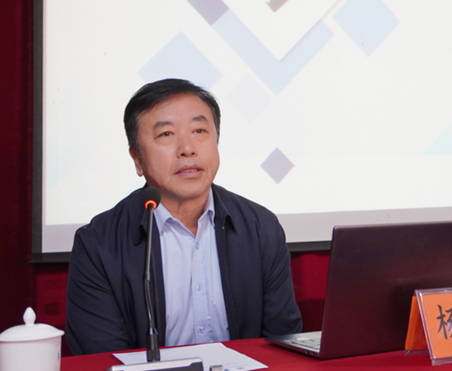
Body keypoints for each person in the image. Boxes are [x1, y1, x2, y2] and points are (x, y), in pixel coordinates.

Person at [65, 78, 302, 355]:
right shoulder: (98, 244)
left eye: (199, 130)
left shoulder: (260, 227)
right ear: (137, 159)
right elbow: (102, 358)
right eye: (166, 134)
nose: (187, 148)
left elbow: (284, 344)